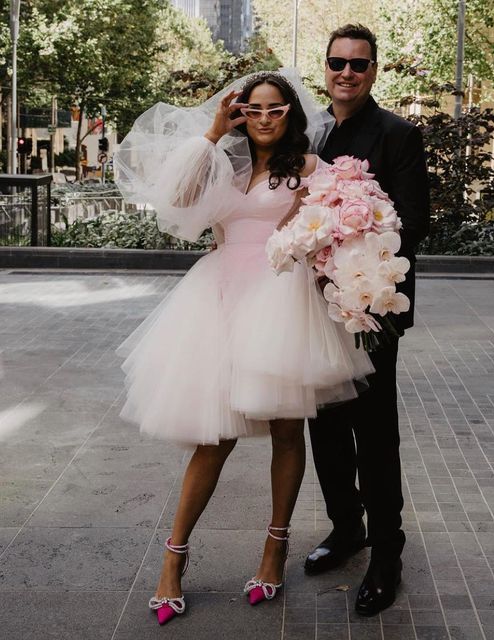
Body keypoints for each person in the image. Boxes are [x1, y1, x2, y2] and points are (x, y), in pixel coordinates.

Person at [114, 71, 373, 625]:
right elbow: (177, 201)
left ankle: (273, 552)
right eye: (252, 109)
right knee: (214, 438)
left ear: (290, 113)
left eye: (274, 109)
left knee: (286, 431)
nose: (263, 118)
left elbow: (333, 230)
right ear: (239, 113)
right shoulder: (222, 162)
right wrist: (210, 134)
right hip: (219, 298)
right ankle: (172, 560)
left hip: (281, 304)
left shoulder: (309, 169)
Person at [304, 24, 430, 616]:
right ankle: (345, 527)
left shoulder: (399, 134)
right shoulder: (311, 132)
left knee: (374, 434)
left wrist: (342, 226)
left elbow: (410, 222)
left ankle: (387, 555)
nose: (346, 73)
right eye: (337, 63)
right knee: (324, 427)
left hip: (371, 305)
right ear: (324, 68)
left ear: (374, 71)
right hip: (311, 306)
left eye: (358, 64)